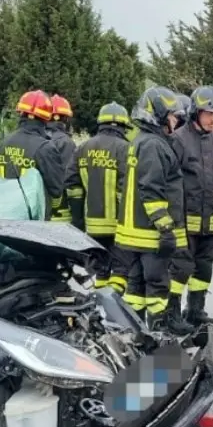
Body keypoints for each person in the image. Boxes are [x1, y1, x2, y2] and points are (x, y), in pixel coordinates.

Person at [116, 86, 195, 335]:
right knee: (158, 286)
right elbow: (152, 189)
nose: (177, 121)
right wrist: (165, 228)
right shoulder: (154, 145)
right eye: (173, 116)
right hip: (150, 234)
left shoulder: (139, 141)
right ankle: (159, 337)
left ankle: (134, 336)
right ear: (158, 115)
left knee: (136, 288)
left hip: (135, 234)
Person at [169, 85, 213, 327]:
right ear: (196, 112)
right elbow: (169, 179)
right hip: (184, 223)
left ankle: (195, 310)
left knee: (203, 270)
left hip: (212, 223)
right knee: (180, 270)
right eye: (209, 113)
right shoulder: (178, 141)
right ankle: (172, 314)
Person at [69, 102, 132, 293]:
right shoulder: (126, 149)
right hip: (118, 227)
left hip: (92, 226)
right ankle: (114, 308)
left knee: (102, 272)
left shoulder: (82, 149)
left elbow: (72, 187)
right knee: (121, 271)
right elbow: (126, 189)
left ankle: (101, 308)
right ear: (123, 125)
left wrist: (78, 222)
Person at [0, 90, 64, 219]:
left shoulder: (3, 144)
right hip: (32, 223)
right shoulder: (45, 148)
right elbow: (57, 193)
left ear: (21, 113)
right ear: (46, 118)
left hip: (2, 219)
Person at [47, 94, 77, 223]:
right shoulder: (66, 143)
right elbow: (68, 178)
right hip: (60, 211)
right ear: (65, 119)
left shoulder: (37, 138)